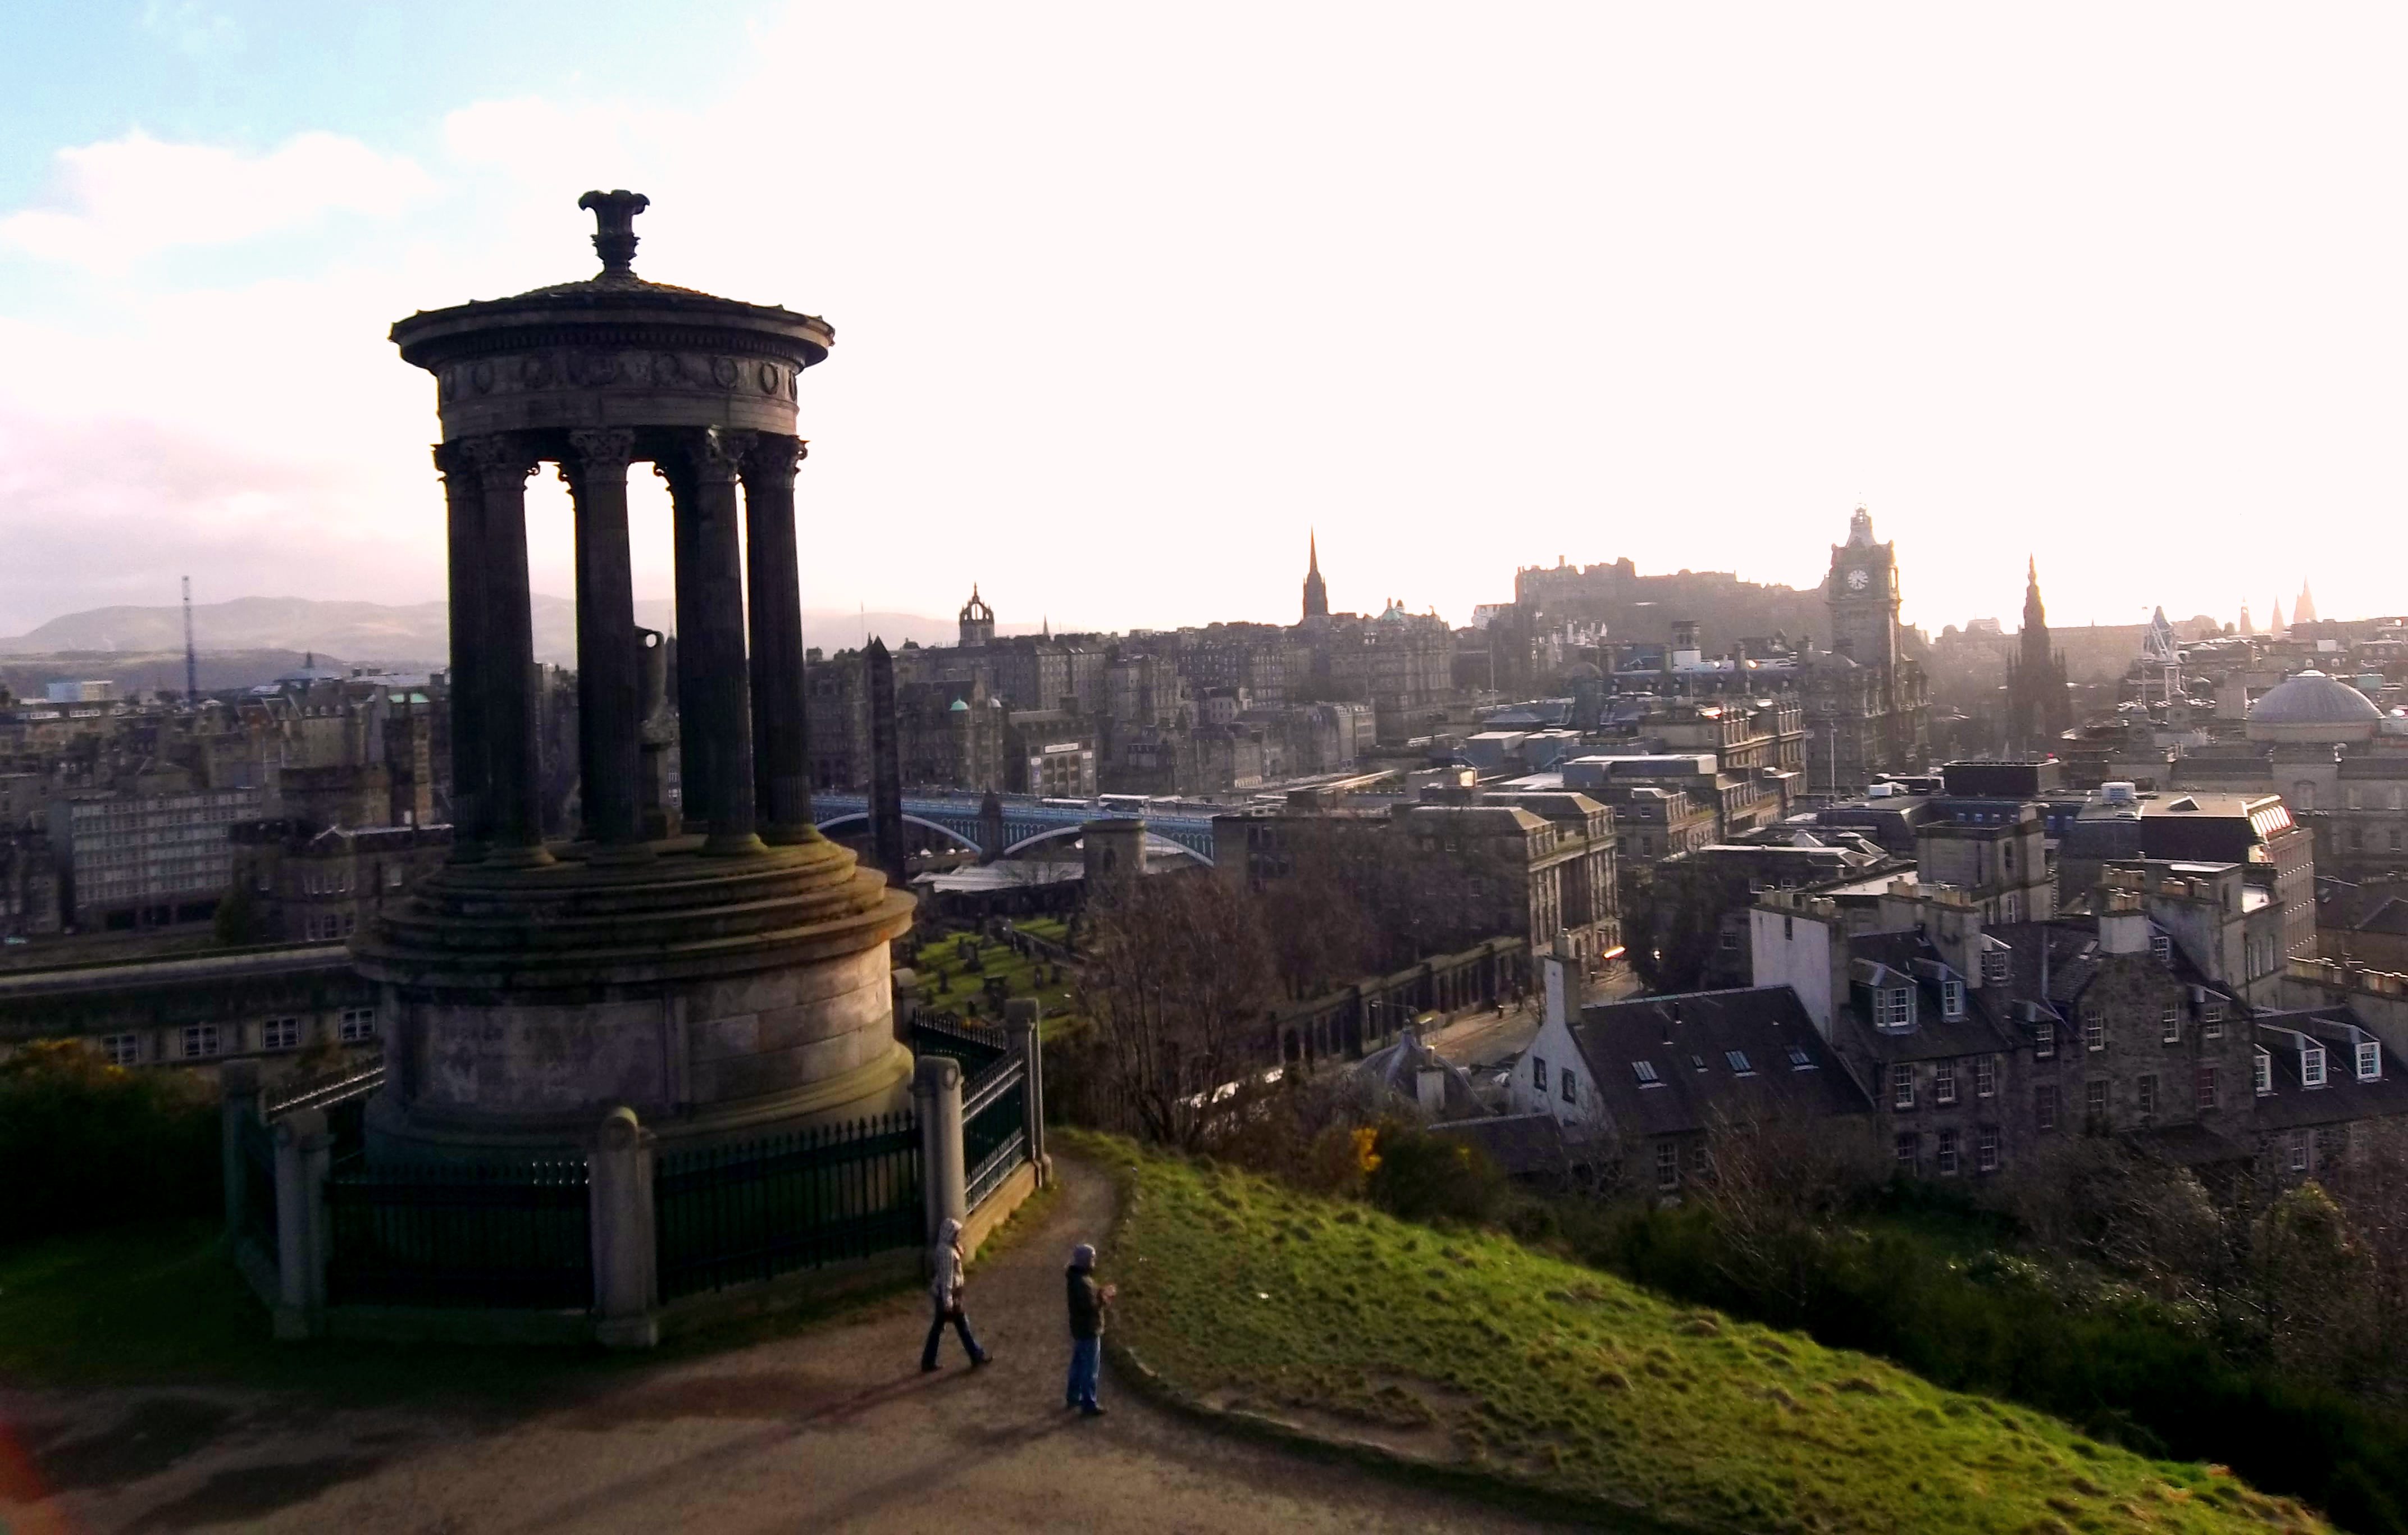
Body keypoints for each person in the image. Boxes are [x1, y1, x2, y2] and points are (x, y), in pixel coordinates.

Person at [921, 1216, 988, 1372]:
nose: (958, 1236)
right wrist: (948, 1302)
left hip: (948, 1296)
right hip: (949, 1297)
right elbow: (947, 1279)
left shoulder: (949, 1249)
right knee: (962, 1326)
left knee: (939, 1329)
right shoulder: (946, 1253)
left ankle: (928, 1360)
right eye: (957, 1233)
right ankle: (976, 1355)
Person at [1064, 1241, 1114, 1415]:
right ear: (1085, 1260)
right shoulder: (1083, 1282)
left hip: (1080, 1329)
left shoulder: (1077, 1278)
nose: (1094, 1261)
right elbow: (1089, 1307)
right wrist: (1102, 1297)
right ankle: (1089, 1403)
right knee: (1090, 1369)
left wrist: (1099, 1292)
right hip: (1089, 1329)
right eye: (1092, 1258)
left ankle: (1073, 1396)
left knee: (1078, 1364)